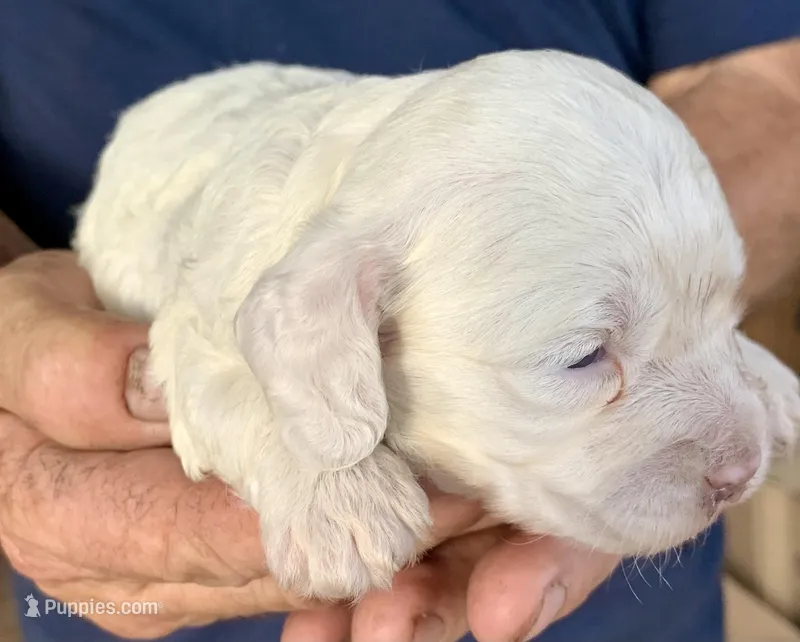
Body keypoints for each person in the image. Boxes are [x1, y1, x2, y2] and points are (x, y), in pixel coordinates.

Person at [0, 1, 798, 641]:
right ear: (333, 322)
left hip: (615, 608)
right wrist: (302, 451)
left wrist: (675, 333)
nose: (734, 458)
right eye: (587, 356)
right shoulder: (305, 267)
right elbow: (199, 353)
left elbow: (781, 90)